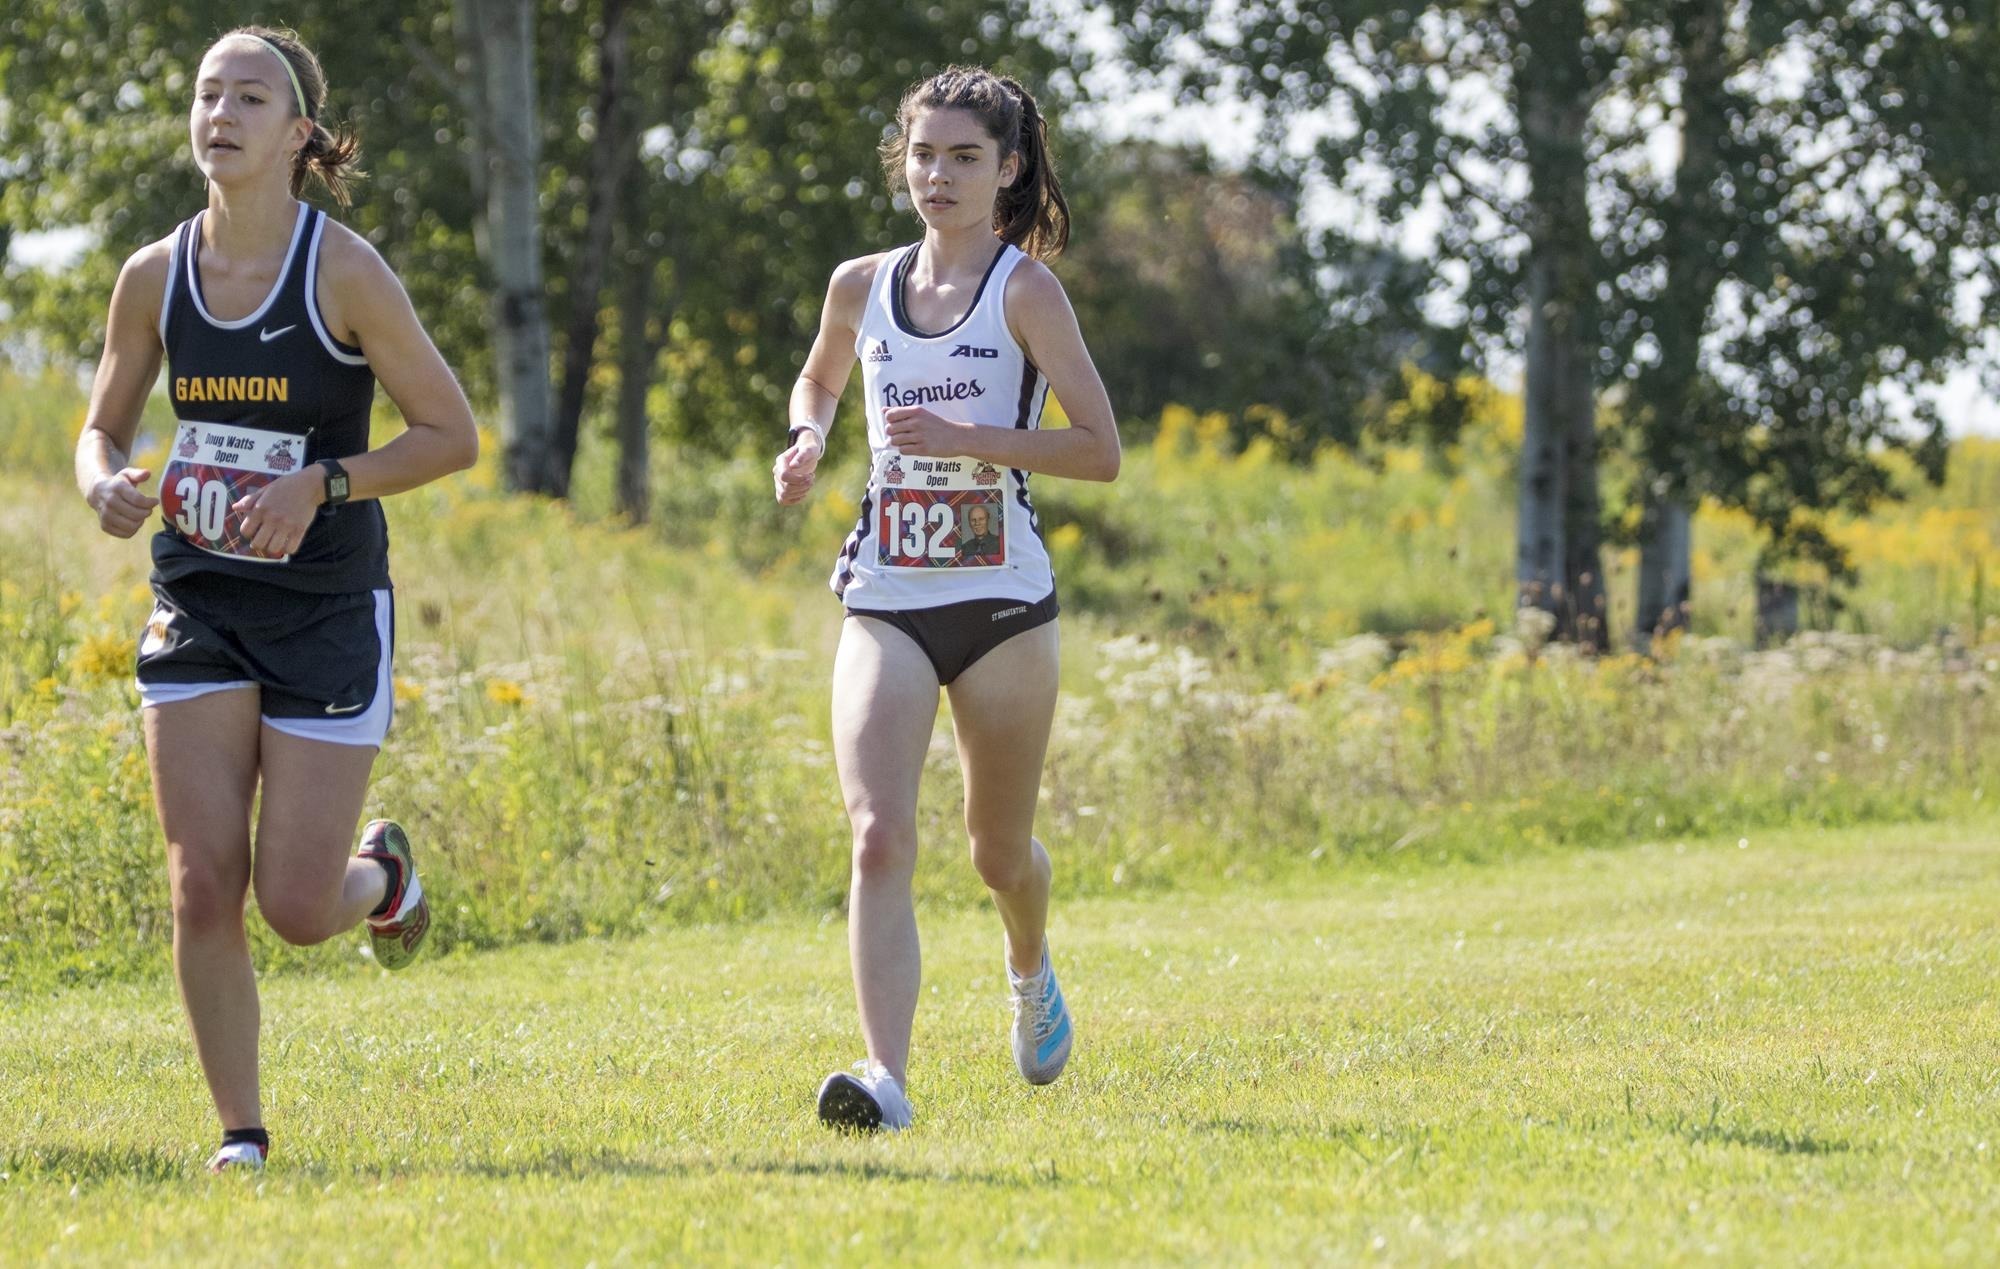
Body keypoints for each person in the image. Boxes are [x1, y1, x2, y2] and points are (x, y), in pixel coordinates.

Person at [74, 26, 478, 1173]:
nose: (223, 113)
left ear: (298, 133)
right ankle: (241, 1136)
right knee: (201, 882)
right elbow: (101, 427)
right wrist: (103, 482)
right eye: (209, 93)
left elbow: (451, 434)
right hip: (199, 599)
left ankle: (382, 875)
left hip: (325, 609)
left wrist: (325, 482)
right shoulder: (154, 275)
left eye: (251, 97)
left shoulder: (343, 271)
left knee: (296, 908)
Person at [773, 65, 1120, 1131]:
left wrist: (970, 439)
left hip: (1002, 603)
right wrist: (806, 437)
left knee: (996, 853)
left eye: (965, 157)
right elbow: (820, 376)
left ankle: (1030, 965)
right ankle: (884, 1079)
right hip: (886, 593)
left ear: (1006, 170)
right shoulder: (859, 284)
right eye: (924, 155)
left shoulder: (1025, 292)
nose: (939, 175)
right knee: (879, 835)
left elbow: (1098, 449)